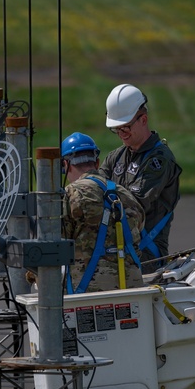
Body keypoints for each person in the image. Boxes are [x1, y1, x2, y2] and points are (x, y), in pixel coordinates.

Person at [101, 83, 182, 273]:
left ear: (143, 120)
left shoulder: (159, 161)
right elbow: (96, 189)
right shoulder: (117, 156)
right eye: (116, 129)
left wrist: (105, 195)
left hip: (146, 258)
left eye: (126, 128)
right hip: (118, 252)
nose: (121, 134)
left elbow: (133, 206)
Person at [61, 132, 144, 293]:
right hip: (132, 289)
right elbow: (138, 230)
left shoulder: (70, 194)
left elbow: (56, 244)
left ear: (66, 164)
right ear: (97, 162)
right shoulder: (125, 195)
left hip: (88, 292)